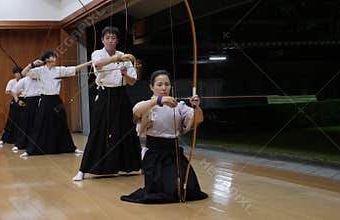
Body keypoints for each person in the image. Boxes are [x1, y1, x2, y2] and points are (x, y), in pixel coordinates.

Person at [120, 70, 208, 204]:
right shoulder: (146, 105)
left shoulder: (179, 106)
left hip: (174, 154)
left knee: (189, 189)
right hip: (154, 155)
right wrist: (160, 100)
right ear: (151, 87)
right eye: (159, 84)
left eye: (167, 84)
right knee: (165, 192)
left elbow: (198, 119)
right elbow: (136, 111)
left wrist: (197, 107)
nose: (163, 88)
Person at [73, 26, 141, 180]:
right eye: (107, 38)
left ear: (117, 40)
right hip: (105, 94)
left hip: (121, 95)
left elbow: (131, 81)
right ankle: (83, 169)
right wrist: (116, 59)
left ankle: (135, 165)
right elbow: (97, 64)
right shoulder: (98, 53)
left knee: (126, 129)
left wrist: (125, 73)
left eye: (113, 38)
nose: (110, 40)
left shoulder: (125, 56)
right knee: (98, 129)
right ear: (103, 40)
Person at [19, 50, 91, 157]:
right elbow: (23, 73)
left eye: (54, 57)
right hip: (44, 100)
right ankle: (31, 150)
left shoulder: (59, 70)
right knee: (40, 124)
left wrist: (89, 63)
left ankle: (70, 148)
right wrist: (32, 64)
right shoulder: (39, 71)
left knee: (62, 123)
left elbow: (74, 69)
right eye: (52, 57)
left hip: (56, 100)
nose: (54, 59)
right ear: (47, 59)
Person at [11, 75, 42, 152]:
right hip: (29, 102)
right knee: (25, 123)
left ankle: (38, 144)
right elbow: (14, 90)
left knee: (38, 124)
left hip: (40, 102)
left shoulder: (41, 79)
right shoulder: (24, 80)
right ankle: (19, 144)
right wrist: (17, 101)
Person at [0, 66, 24, 146]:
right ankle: (3, 139)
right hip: (15, 102)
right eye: (16, 73)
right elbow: (8, 91)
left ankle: (20, 140)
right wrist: (15, 93)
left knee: (22, 121)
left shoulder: (24, 81)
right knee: (11, 120)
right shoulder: (12, 82)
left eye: (19, 73)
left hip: (23, 101)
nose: (17, 75)